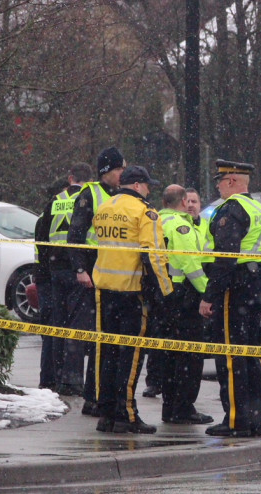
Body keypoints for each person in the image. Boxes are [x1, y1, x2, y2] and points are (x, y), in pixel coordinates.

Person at [92, 165, 173, 434]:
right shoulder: (145, 212)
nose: (150, 190)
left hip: (104, 290)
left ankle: (105, 412)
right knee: (131, 355)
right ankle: (126, 413)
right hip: (132, 293)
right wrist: (164, 293)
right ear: (137, 185)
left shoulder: (104, 207)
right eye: (148, 185)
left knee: (107, 353)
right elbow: (154, 256)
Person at [199, 159, 261, 438]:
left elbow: (225, 259)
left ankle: (234, 419)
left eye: (220, 180)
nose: (217, 185)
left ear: (231, 181)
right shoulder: (260, 209)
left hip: (235, 289)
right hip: (255, 287)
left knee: (231, 357)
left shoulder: (232, 210)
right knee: (251, 355)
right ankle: (253, 417)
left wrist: (209, 296)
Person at [66, 147, 126, 416]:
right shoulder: (91, 194)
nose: (122, 175)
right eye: (118, 170)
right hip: (93, 273)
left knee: (108, 340)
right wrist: (80, 268)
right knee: (97, 339)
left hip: (114, 274)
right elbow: (75, 234)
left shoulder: (122, 195)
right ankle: (92, 396)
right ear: (106, 172)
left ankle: (103, 395)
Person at [158, 185, 213, 425]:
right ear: (182, 201)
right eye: (187, 200)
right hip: (184, 296)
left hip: (166, 294)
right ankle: (183, 407)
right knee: (190, 356)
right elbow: (190, 263)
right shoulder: (181, 225)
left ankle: (170, 406)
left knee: (171, 355)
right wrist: (209, 293)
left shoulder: (158, 219)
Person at [43, 162, 93, 398]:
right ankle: (72, 380)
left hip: (56, 268)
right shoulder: (87, 199)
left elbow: (43, 235)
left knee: (59, 323)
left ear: (70, 177)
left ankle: (57, 375)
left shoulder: (55, 200)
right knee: (77, 326)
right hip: (77, 269)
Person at [34, 177, 70, 390]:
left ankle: (51, 378)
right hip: (48, 279)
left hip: (46, 277)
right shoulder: (51, 213)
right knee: (51, 331)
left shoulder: (45, 214)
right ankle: (49, 380)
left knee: (52, 330)